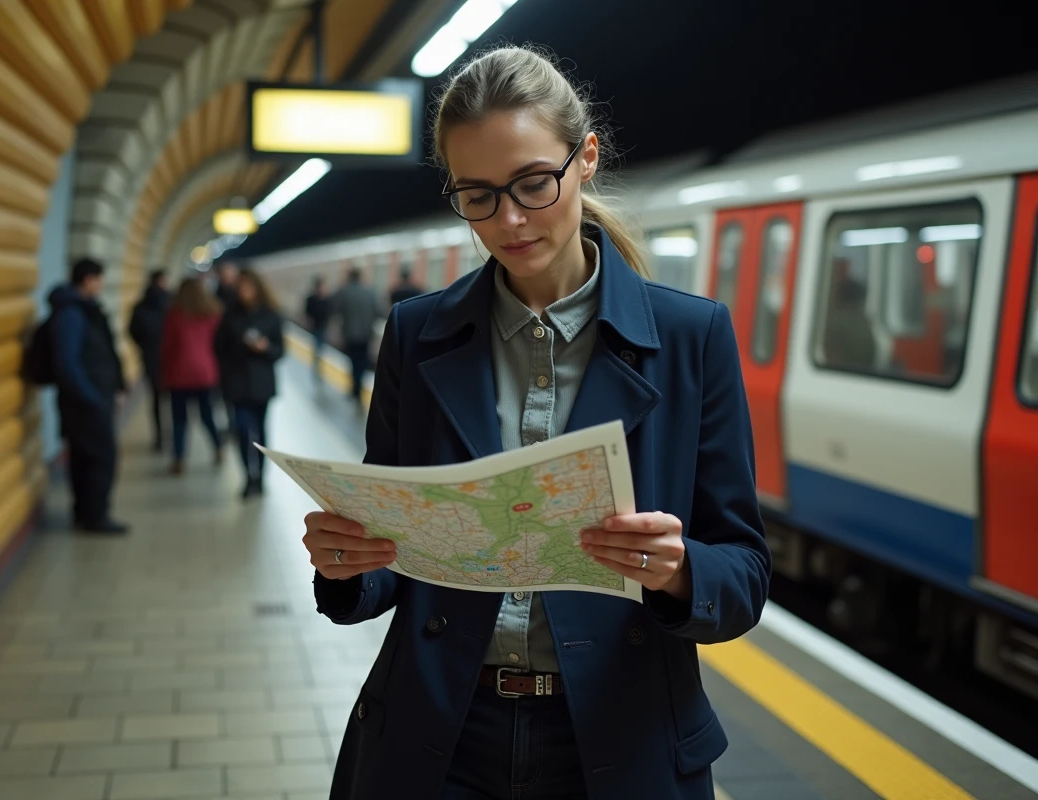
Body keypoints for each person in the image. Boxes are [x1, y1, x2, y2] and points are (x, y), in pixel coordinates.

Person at [301, 46, 770, 800]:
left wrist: (681, 571)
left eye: (532, 183)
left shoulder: (691, 337)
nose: (509, 220)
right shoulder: (418, 334)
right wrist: (347, 563)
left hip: (619, 733)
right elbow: (396, 554)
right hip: (441, 734)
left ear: (585, 157)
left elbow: (743, 574)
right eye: (477, 195)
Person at [50, 258, 128, 534]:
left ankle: (85, 513)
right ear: (88, 280)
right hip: (85, 403)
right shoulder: (73, 314)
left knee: (84, 458)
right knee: (100, 459)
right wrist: (92, 397)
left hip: (87, 399)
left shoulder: (84, 311)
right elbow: (67, 362)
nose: (101, 285)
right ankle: (96, 517)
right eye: (99, 279)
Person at [214, 267, 285, 498]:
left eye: (247, 286)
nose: (243, 291)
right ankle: (248, 476)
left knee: (262, 431)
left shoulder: (271, 314)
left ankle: (261, 477)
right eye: (240, 286)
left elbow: (280, 350)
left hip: (262, 383)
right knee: (243, 429)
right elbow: (218, 348)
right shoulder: (229, 315)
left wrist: (265, 348)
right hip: (237, 382)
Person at [160, 277, 224, 475]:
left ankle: (179, 459)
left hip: (179, 375)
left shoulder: (175, 315)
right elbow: (220, 346)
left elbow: (167, 347)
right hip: (205, 374)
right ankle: (218, 447)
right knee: (207, 416)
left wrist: (163, 374)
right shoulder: (213, 314)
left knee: (179, 419)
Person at [128, 269, 171, 451]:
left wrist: (144, 346)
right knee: (173, 398)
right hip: (171, 358)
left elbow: (132, 331)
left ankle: (160, 436)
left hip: (151, 357)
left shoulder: (141, 305)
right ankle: (172, 435)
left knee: (155, 399)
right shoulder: (171, 302)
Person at [329, 267, 379, 401]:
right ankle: (358, 387)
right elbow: (379, 311)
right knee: (362, 360)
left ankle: (355, 387)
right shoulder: (370, 292)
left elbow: (334, 307)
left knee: (353, 361)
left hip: (349, 333)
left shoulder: (344, 292)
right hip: (366, 333)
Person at [304, 276, 332, 376]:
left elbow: (330, 313)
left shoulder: (327, 299)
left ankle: (319, 365)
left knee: (321, 347)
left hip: (323, 326)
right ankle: (317, 367)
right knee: (317, 347)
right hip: (315, 326)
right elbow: (307, 313)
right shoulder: (311, 299)